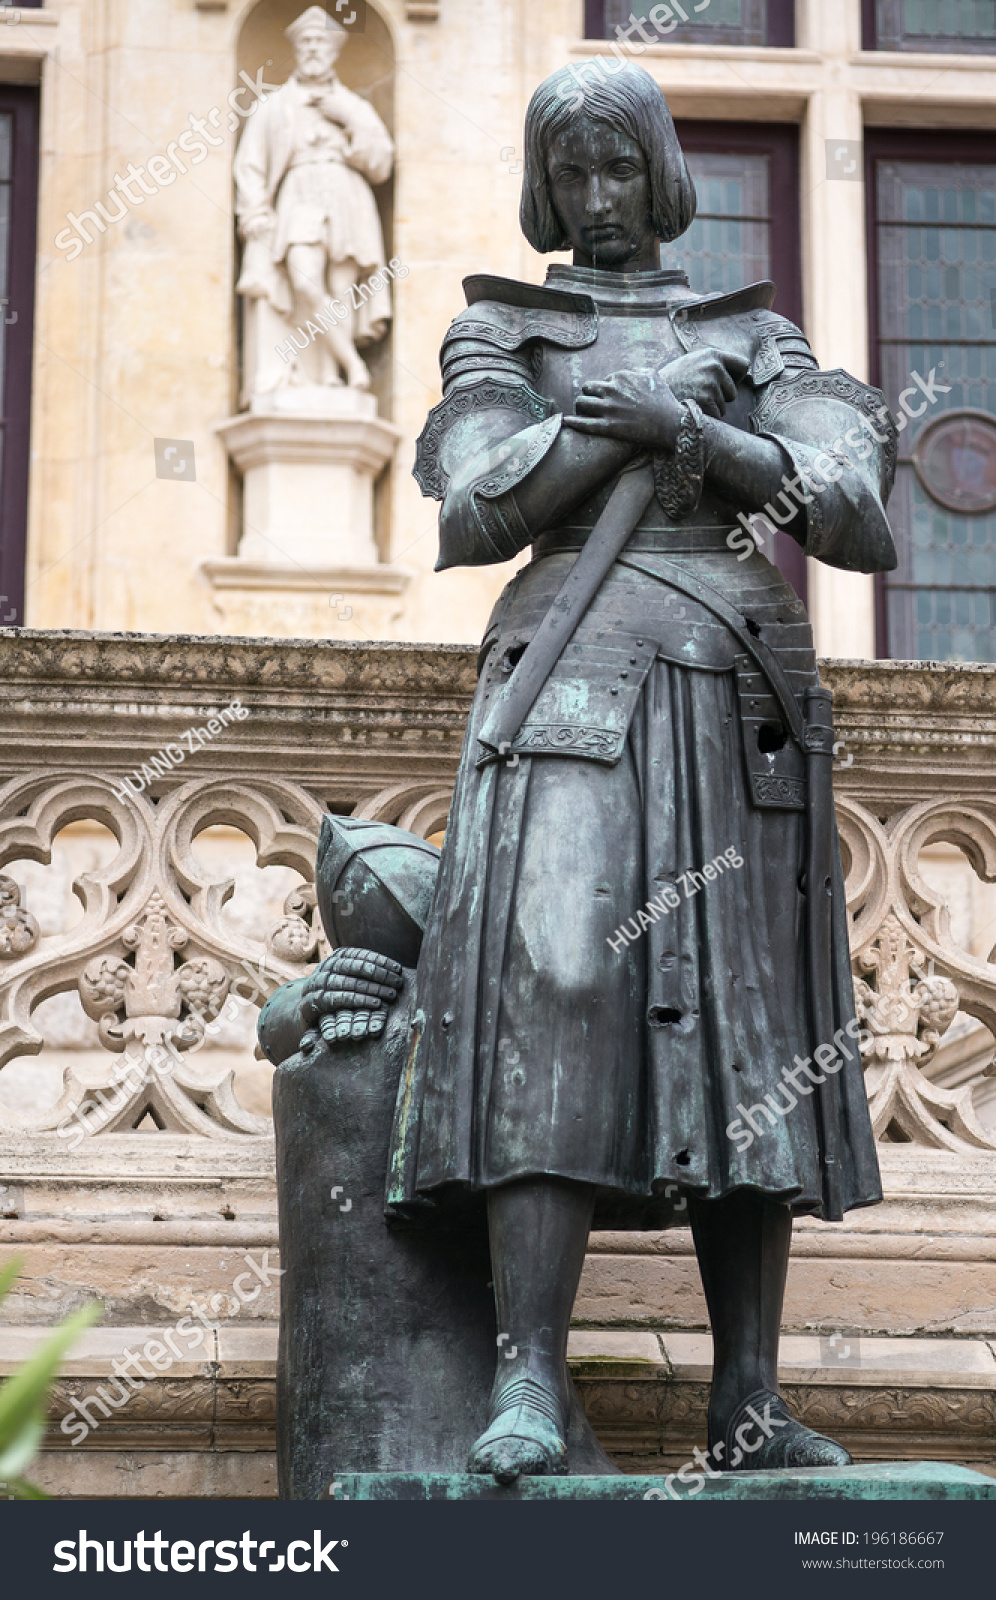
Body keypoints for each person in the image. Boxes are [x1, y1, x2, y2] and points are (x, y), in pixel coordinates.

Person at [390, 60, 896, 1484]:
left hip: (736, 689)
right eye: (573, 175)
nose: (599, 201)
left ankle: (746, 1398)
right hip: (567, 685)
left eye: (623, 170)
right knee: (553, 984)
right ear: (545, 187)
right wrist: (592, 430)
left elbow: (852, 511)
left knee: (752, 1022)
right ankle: (527, 1383)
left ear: (664, 175)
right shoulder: (502, 327)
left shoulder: (756, 334)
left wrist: (699, 432)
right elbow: (475, 501)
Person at [234, 6, 393, 391]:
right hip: (297, 196)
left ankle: (328, 375)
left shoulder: (354, 107)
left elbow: (382, 163)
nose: (312, 49)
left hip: (346, 196)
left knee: (341, 290)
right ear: (296, 49)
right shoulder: (273, 107)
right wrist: (254, 210)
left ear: (334, 51)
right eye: (305, 42)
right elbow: (250, 164)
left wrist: (350, 119)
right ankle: (353, 364)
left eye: (320, 42)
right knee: (305, 282)